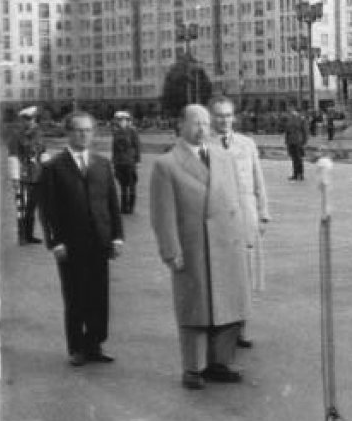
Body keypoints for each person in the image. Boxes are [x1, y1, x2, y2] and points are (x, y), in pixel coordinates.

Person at [150, 104, 251, 390]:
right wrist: (170, 251)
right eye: (196, 123)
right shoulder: (167, 165)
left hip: (227, 244)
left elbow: (235, 199)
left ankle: (220, 362)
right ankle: (193, 368)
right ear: (180, 125)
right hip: (194, 248)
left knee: (228, 306)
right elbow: (162, 215)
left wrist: (242, 235)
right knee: (195, 307)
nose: (203, 129)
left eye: (206, 123)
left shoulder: (223, 157)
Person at [38, 111, 124, 365]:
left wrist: (117, 237)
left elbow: (112, 203)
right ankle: (77, 347)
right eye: (78, 130)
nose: (83, 135)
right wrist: (55, 242)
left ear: (94, 133)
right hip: (70, 243)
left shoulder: (102, 164)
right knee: (75, 296)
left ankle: (95, 344)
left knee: (99, 295)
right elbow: (47, 209)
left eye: (88, 130)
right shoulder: (54, 167)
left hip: (100, 241)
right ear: (69, 133)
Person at [210, 96, 271, 349]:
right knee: (221, 274)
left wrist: (264, 212)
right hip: (217, 218)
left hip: (245, 214)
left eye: (228, 115)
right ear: (211, 118)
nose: (224, 120)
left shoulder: (247, 144)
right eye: (219, 116)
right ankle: (222, 328)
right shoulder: (205, 145)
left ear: (234, 117)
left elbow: (258, 179)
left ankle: (241, 327)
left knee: (245, 274)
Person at [10, 107, 45, 244]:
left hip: (37, 175)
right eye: (26, 120)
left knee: (31, 207)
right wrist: (15, 177)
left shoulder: (38, 134)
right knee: (22, 208)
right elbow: (13, 156)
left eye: (31, 119)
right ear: (22, 121)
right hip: (23, 176)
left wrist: (46, 171)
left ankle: (29, 235)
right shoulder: (17, 136)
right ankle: (22, 237)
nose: (29, 122)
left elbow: (43, 152)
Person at [111, 110, 141, 215]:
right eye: (118, 120)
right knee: (123, 185)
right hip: (119, 162)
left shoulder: (132, 131)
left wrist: (137, 160)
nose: (120, 122)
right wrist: (114, 161)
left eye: (122, 120)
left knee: (132, 185)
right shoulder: (116, 132)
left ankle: (131, 207)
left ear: (127, 120)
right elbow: (114, 148)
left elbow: (137, 146)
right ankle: (123, 207)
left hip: (130, 161)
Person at [283, 105, 309, 181]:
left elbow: (305, 131)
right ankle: (295, 174)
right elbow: (287, 131)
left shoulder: (301, 119)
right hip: (291, 141)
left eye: (291, 110)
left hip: (298, 141)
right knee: (294, 158)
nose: (290, 112)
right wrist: (286, 141)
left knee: (299, 158)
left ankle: (300, 175)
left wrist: (304, 141)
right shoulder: (289, 119)